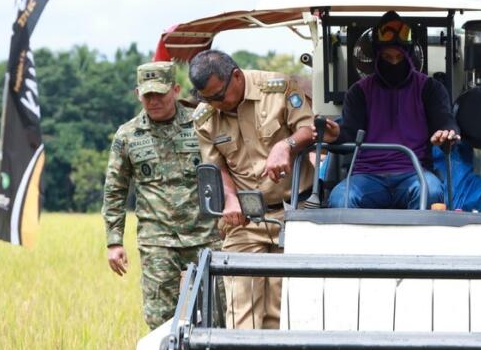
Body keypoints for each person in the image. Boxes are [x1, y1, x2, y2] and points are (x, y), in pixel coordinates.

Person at [189, 49, 337, 329]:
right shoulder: (205, 116)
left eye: (219, 96)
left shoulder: (278, 89)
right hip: (245, 217)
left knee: (285, 307)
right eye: (207, 99)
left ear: (235, 76)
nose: (215, 104)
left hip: (294, 214)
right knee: (241, 304)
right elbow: (216, 165)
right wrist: (230, 199)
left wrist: (286, 146)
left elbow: (311, 129)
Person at [102, 61, 217, 330]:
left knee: (217, 312)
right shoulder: (128, 135)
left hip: (205, 234)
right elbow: (115, 190)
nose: (153, 101)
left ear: (175, 90)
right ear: (137, 94)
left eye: (160, 94)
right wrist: (113, 241)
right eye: (147, 95)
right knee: (159, 319)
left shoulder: (203, 124)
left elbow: (226, 169)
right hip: (157, 240)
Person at [326, 11, 460, 210]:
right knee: (340, 199)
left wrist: (447, 133)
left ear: (409, 54)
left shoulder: (430, 89)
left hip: (415, 172)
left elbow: (445, 121)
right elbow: (349, 132)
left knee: (430, 191)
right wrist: (336, 134)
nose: (394, 62)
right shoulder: (359, 92)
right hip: (366, 176)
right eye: (388, 57)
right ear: (376, 55)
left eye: (399, 57)